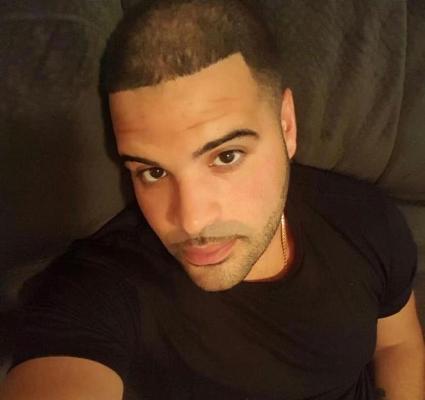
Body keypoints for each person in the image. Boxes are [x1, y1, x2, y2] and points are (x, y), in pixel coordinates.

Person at [1, 1, 424, 399]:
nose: (191, 220)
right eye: (153, 172)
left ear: (286, 125)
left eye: (226, 156)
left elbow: (397, 346)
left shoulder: (364, 219)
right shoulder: (100, 287)